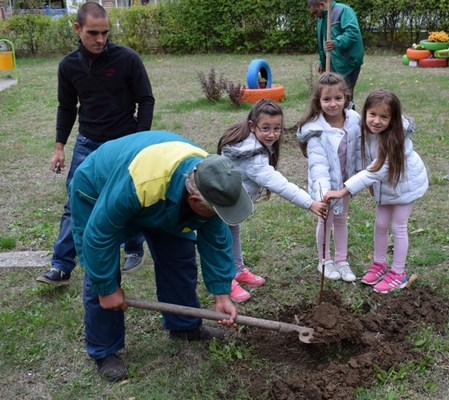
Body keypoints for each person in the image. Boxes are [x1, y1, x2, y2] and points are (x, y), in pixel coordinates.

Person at [70, 130, 251, 381]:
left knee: (179, 256)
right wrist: (106, 288)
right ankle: (104, 349)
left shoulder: (214, 182)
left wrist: (222, 293)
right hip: (101, 186)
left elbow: (217, 240)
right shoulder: (143, 180)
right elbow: (99, 235)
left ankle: (184, 325)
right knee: (101, 266)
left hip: (164, 197)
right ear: (196, 201)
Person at [36, 2, 155, 287]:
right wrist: (59, 147)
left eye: (105, 33)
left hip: (125, 141)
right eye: (93, 33)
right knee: (75, 202)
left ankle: (134, 247)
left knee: (127, 197)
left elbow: (146, 100)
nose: (100, 39)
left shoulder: (127, 59)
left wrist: (139, 140)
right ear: (78, 29)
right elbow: (66, 107)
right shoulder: (68, 66)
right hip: (88, 143)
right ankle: (62, 266)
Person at [218, 99, 328, 303]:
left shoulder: (250, 141)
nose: (272, 134)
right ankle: (225, 280)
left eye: (277, 128)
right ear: (252, 126)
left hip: (232, 202)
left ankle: (238, 269)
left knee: (233, 232)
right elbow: (279, 184)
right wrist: (310, 202)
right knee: (221, 239)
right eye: (266, 128)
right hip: (222, 204)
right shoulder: (252, 156)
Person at [323, 89, 428, 293]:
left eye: (384, 117)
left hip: (406, 186)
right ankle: (379, 264)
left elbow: (376, 170)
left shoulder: (396, 140)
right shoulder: (367, 132)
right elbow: (366, 162)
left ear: (393, 119)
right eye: (372, 114)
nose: (377, 121)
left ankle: (398, 273)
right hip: (386, 187)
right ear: (365, 113)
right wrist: (371, 186)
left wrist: (343, 191)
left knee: (398, 227)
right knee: (380, 224)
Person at [296, 72, 361, 282]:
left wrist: (359, 178)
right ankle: (324, 260)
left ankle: (342, 260)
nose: (333, 104)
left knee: (341, 220)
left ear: (346, 98)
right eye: (327, 99)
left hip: (345, 183)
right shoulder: (316, 131)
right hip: (325, 185)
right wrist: (324, 193)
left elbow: (359, 150)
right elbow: (319, 166)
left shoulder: (354, 120)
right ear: (318, 101)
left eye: (338, 98)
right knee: (326, 221)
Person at [307, 0, 364, 106]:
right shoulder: (322, 18)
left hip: (348, 62)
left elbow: (353, 32)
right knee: (333, 94)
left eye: (315, 12)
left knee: (345, 96)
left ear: (322, 5)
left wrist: (336, 43)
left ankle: (351, 120)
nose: (315, 16)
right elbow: (323, 41)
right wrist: (322, 62)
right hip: (333, 62)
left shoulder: (343, 11)